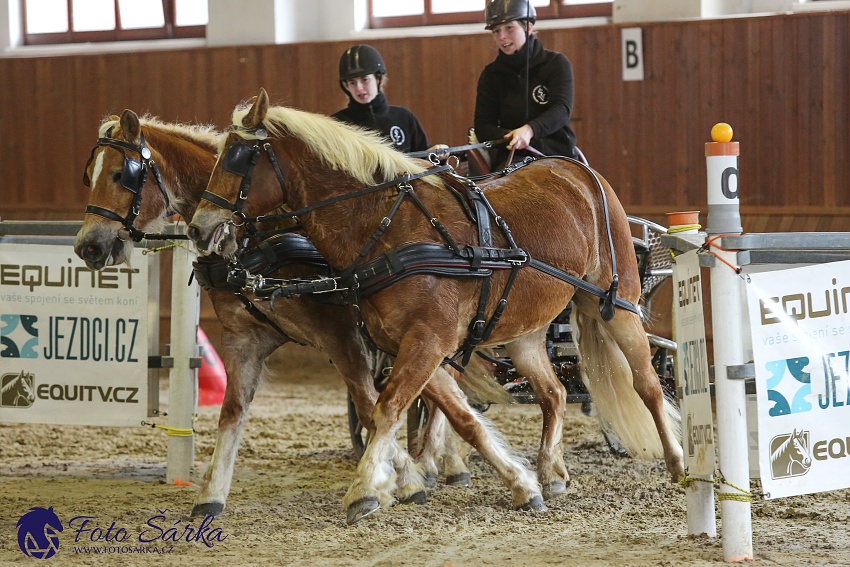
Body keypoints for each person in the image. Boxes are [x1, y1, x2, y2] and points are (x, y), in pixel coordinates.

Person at [474, 0, 578, 169]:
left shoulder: (556, 63)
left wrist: (530, 130)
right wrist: (511, 136)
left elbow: (561, 109)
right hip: (511, 159)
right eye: (496, 31)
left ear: (528, 27)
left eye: (509, 28)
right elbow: (482, 125)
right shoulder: (490, 75)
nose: (502, 37)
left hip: (558, 155)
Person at [333, 44, 447, 157]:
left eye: (364, 80)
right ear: (346, 86)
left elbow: (425, 158)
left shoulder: (403, 117)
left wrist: (437, 154)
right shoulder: (337, 125)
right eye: (352, 82)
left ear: (379, 79)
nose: (359, 88)